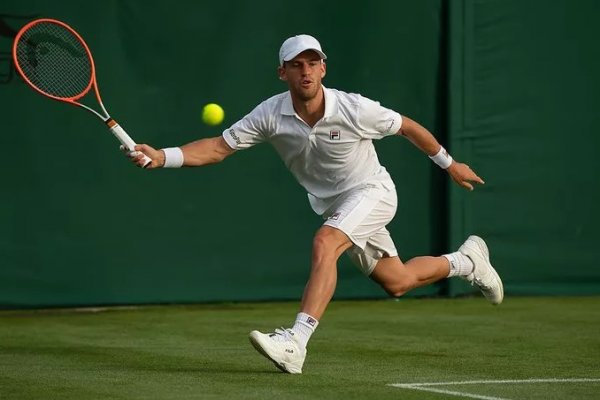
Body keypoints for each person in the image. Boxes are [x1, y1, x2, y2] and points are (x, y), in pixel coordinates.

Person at [126, 34, 503, 374]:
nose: (305, 71)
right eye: (296, 65)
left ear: (323, 68)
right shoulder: (270, 115)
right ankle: (468, 261)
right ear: (282, 73)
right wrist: (162, 156)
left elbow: (407, 126)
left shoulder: (355, 109)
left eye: (312, 63)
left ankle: (296, 342)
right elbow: (217, 148)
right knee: (398, 281)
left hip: (373, 191)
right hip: (335, 203)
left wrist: (449, 164)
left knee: (325, 242)